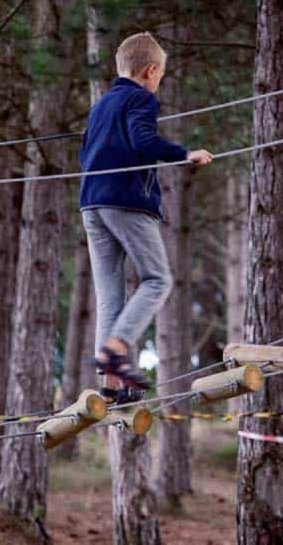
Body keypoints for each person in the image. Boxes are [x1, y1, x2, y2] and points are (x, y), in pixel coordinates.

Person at [79, 32, 212, 403]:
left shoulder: (101, 105)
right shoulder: (141, 98)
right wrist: (186, 154)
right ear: (150, 70)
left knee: (110, 296)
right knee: (157, 279)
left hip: (92, 204)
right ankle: (117, 348)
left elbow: (84, 152)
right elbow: (143, 142)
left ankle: (110, 386)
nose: (158, 83)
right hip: (126, 201)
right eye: (160, 76)